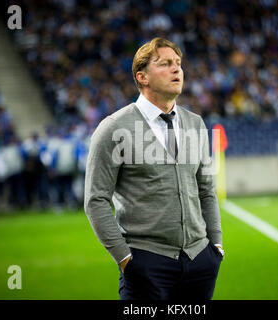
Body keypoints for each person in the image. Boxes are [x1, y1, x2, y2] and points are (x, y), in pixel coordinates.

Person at [84, 37, 224, 300]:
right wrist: (126, 260)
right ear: (143, 77)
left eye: (178, 64)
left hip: (199, 262)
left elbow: (206, 189)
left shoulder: (195, 123)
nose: (176, 69)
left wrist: (215, 247)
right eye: (165, 64)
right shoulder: (113, 128)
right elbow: (96, 200)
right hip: (146, 263)